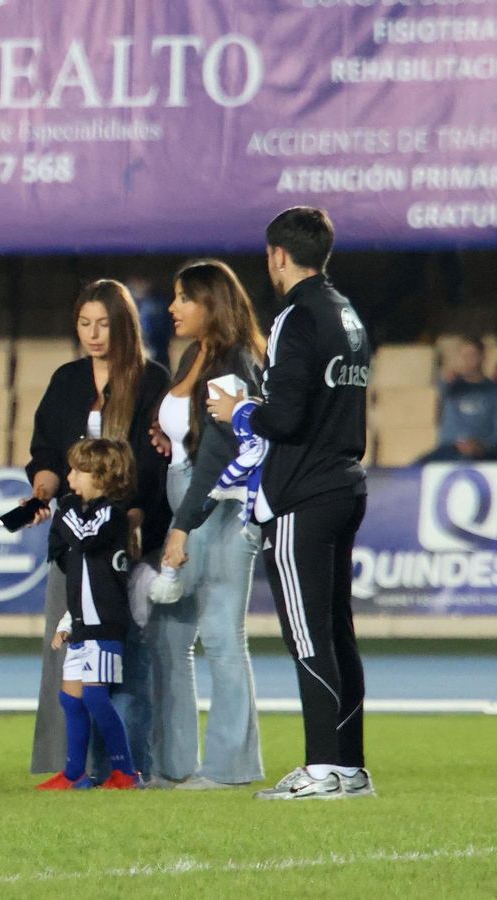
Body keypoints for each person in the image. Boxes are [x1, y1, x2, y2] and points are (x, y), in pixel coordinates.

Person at [208, 207, 373, 801]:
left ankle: (323, 768)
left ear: (278, 255)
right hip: (345, 483)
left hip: (302, 493)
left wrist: (239, 411)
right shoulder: (347, 313)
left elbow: (285, 417)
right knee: (337, 633)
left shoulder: (294, 316)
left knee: (308, 636)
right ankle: (349, 768)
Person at [22, 280, 170, 779]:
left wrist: (135, 518)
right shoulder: (67, 380)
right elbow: (45, 453)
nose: (93, 334)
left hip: (128, 545)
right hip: (73, 543)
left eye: (103, 324)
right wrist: (42, 490)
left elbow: (155, 464)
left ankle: (129, 766)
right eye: (85, 323)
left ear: (124, 324)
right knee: (64, 655)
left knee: (127, 662)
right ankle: (68, 766)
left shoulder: (152, 381)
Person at [147, 260, 267, 790]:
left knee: (220, 635)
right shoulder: (195, 354)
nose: (173, 307)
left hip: (221, 504)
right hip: (189, 493)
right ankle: (172, 765)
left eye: (184, 298)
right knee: (171, 635)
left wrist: (181, 526)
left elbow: (221, 454)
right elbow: (199, 437)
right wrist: (169, 439)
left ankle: (230, 767)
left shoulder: (235, 360)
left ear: (211, 304)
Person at [38, 438, 142, 791]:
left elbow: (84, 538)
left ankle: (125, 771)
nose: (69, 478)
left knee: (96, 697)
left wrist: (63, 510)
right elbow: (65, 558)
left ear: (100, 476)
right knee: (71, 700)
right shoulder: (76, 513)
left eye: (77, 471)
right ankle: (74, 775)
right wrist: (67, 621)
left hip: (105, 625)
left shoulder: (112, 514)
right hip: (82, 624)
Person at [418, 335, 497, 463]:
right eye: (463, 356)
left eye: (472, 356)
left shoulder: (493, 391)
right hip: (448, 449)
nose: (467, 361)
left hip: (482, 452)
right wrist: (445, 381)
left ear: (483, 357)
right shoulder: (451, 386)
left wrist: (482, 447)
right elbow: (436, 408)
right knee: (415, 467)